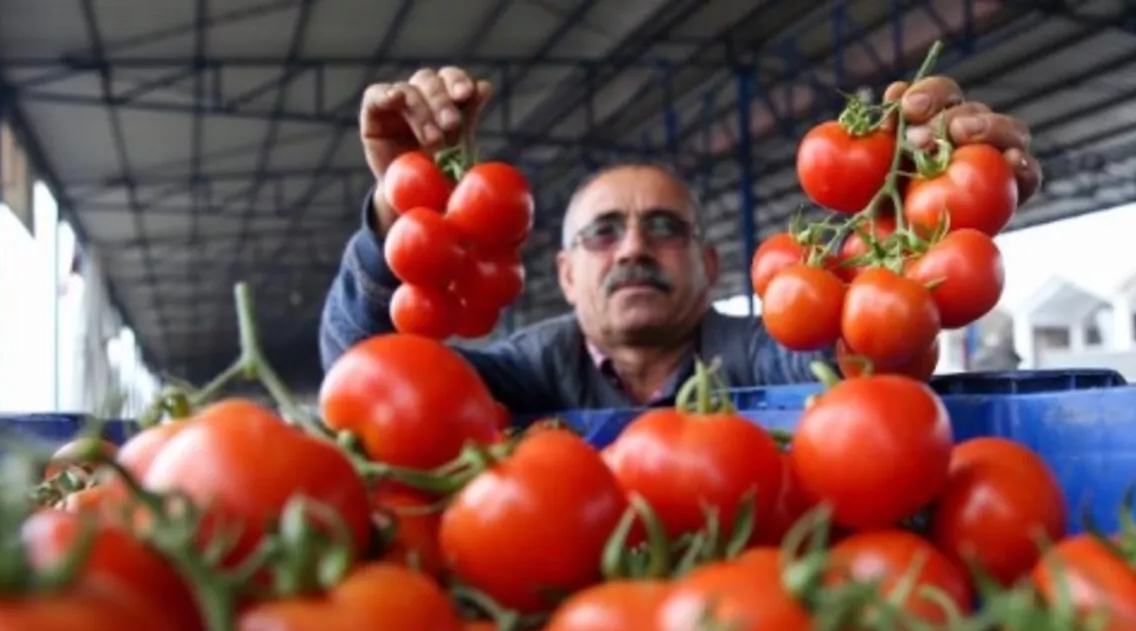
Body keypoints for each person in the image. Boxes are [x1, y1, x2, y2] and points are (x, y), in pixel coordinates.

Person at [320, 66, 1042, 416]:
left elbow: (854, 354)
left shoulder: (760, 351)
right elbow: (367, 383)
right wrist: (400, 215)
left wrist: (915, 223)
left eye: (664, 227)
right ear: (567, 274)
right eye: (604, 232)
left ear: (710, 263)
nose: (633, 246)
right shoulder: (529, 371)